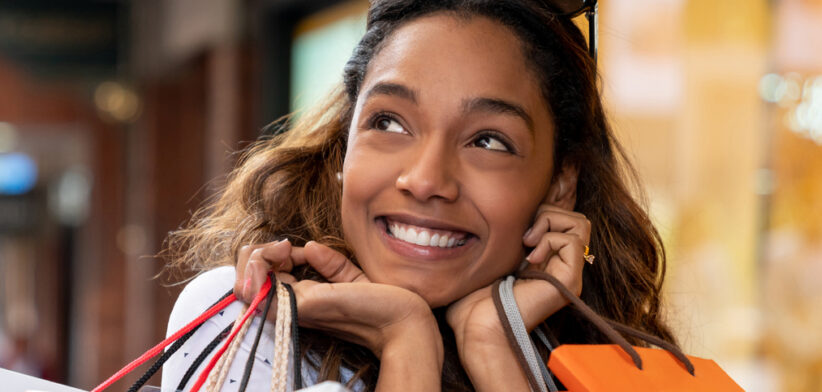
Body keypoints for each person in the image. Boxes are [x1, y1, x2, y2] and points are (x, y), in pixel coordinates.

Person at [161, 0, 677, 390]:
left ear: (561, 181)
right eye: (389, 122)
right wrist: (406, 341)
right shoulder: (249, 320)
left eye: (488, 140)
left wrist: (494, 346)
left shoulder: (597, 361)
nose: (427, 180)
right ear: (345, 146)